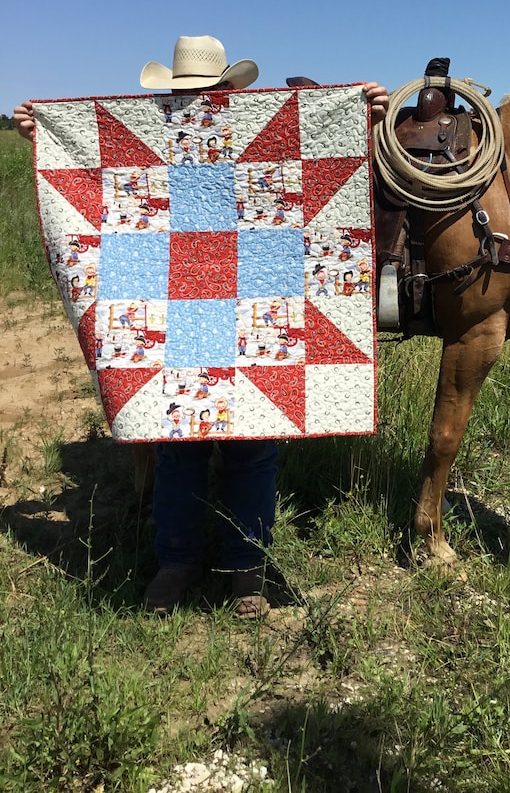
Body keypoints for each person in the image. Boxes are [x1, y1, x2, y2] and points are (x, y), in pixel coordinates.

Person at [13, 35, 389, 617]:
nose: (194, 102)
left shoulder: (257, 126)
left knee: (254, 450)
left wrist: (361, 109)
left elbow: (316, 157)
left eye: (206, 92)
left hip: (256, 306)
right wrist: (42, 133)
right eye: (184, 93)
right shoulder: (152, 133)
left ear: (230, 90)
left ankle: (246, 571)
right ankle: (178, 561)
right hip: (168, 309)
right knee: (178, 451)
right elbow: (91, 164)